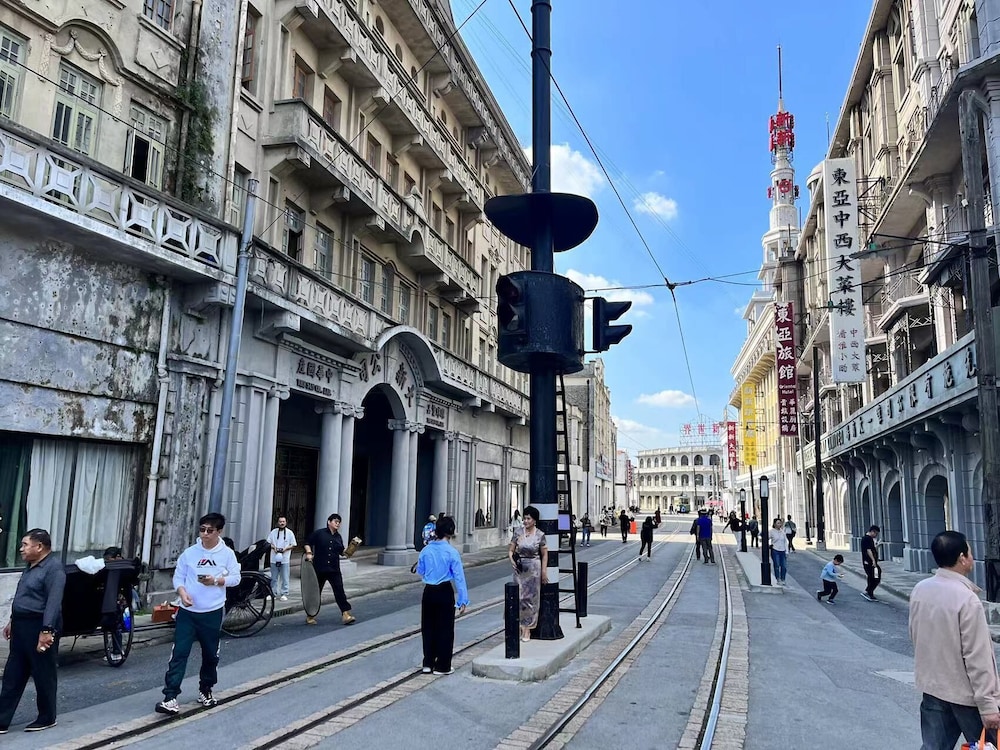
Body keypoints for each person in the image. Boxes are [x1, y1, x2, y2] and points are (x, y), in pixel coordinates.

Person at [910, 531, 1000, 749]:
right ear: (962, 558)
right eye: (970, 551)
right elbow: (977, 656)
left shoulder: (921, 589)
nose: (972, 556)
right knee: (987, 746)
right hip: (966, 696)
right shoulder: (966, 599)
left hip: (933, 688)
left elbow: (915, 635)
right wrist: (988, 705)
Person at [155, 513, 240, 715]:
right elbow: (179, 577)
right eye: (202, 530)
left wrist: (217, 581)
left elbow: (236, 578)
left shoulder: (227, 554)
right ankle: (170, 697)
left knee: (210, 654)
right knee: (179, 652)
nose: (205, 534)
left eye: (210, 530)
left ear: (219, 532)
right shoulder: (190, 553)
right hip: (188, 612)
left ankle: (206, 690)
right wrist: (182, 593)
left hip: (212, 611)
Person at [0, 529, 66, 733]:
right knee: (13, 673)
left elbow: (53, 602)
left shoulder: (53, 569)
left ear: (39, 547)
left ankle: (47, 717)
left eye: (25, 545)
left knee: (43, 673)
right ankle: (2, 719)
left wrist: (47, 630)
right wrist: (12, 621)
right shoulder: (30, 567)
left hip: (39, 625)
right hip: (21, 625)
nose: (21, 549)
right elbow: (23, 596)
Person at [415, 516, 469, 675]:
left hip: (429, 591)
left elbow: (420, 570)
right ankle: (442, 665)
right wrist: (463, 600)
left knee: (428, 627)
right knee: (445, 628)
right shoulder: (452, 552)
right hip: (445, 591)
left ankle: (428, 662)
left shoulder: (426, 550)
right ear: (450, 532)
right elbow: (459, 577)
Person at [303, 514, 356, 626]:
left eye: (339, 522)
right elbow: (307, 542)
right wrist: (309, 553)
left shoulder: (338, 537)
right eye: (335, 521)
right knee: (315, 592)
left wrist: (350, 550)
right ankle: (310, 615)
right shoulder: (319, 533)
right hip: (319, 568)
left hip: (334, 569)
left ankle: (346, 614)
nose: (338, 524)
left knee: (339, 591)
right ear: (329, 522)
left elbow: (342, 552)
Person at [508, 505, 548, 641]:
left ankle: (528, 629)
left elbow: (544, 554)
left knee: (530, 599)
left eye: (528, 518)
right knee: (519, 597)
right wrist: (512, 561)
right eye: (524, 518)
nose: (526, 521)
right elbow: (511, 550)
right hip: (520, 568)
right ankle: (520, 626)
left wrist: (544, 571)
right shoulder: (518, 532)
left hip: (533, 568)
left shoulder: (540, 535)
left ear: (534, 520)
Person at [266, 517, 296, 602]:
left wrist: (285, 549)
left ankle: (284, 593)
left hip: (285, 559)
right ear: (278, 522)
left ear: (286, 522)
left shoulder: (289, 533)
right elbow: (268, 543)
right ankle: (273, 593)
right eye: (280, 521)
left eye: (283, 521)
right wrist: (274, 548)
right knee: (274, 577)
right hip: (274, 558)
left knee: (285, 577)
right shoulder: (273, 532)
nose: (282, 523)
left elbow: (293, 544)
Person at [861, 525, 881, 602]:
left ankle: (868, 591)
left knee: (874, 576)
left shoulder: (868, 539)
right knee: (875, 577)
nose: (876, 536)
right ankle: (869, 592)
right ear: (872, 531)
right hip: (869, 562)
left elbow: (872, 549)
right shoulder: (867, 539)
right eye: (876, 534)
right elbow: (868, 550)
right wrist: (873, 561)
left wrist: (877, 546)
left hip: (870, 562)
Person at [768, 517, 788, 585]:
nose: (780, 524)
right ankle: (778, 578)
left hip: (782, 550)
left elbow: (785, 542)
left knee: (784, 566)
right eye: (778, 523)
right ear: (774, 524)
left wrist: (787, 551)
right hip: (775, 550)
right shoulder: (771, 531)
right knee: (777, 565)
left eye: (780, 523)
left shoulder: (782, 532)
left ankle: (783, 579)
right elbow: (766, 538)